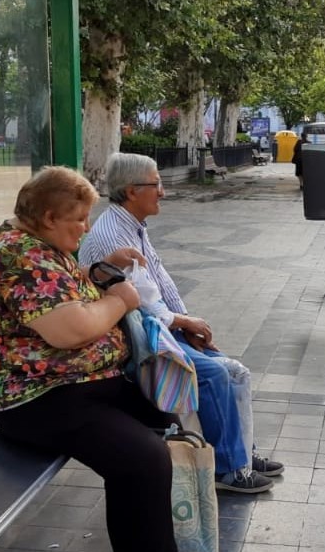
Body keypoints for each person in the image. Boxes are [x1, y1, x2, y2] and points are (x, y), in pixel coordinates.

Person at [0, 166, 195, 552]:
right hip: (34, 397)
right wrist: (119, 298)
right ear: (50, 217)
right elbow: (69, 330)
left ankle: (147, 523)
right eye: (78, 218)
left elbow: (65, 293)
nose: (86, 227)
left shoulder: (40, 242)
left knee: (159, 414)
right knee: (141, 456)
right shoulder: (21, 256)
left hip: (74, 382)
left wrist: (97, 275)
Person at [81, 152, 284, 494]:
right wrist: (184, 323)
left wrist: (187, 326)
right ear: (132, 191)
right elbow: (143, 307)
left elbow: (158, 288)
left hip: (159, 331)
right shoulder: (114, 236)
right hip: (142, 344)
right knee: (216, 373)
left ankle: (242, 456)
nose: (163, 191)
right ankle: (229, 469)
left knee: (232, 370)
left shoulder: (131, 226)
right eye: (156, 183)